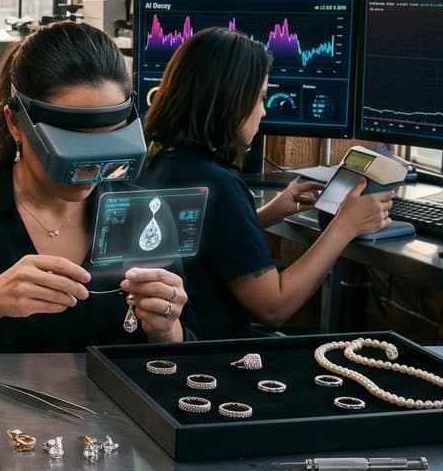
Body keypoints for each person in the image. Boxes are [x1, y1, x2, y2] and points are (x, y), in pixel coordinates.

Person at [0, 21, 189, 352]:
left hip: (112, 402)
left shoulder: (145, 213)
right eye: (72, 145)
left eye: (107, 142)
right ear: (15, 123)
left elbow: (181, 354)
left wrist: (166, 329)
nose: (90, 167)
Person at [139, 25, 391, 335]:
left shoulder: (157, 159)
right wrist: (346, 226)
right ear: (230, 102)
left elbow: (200, 244)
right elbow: (275, 307)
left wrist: (271, 212)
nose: (263, 111)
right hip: (210, 352)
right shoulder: (220, 186)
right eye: (260, 98)